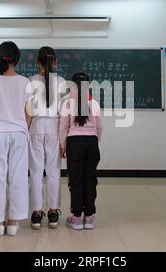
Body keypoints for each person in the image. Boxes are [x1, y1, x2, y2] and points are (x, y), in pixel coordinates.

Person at [0, 41, 32, 236]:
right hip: (19, 133)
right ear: (17, 59)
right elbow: (29, 113)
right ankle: (13, 221)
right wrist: (23, 128)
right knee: (18, 176)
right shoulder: (26, 82)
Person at [29, 46, 67, 230]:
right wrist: (63, 140)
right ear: (55, 62)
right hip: (54, 127)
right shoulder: (61, 82)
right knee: (53, 171)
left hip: (35, 127)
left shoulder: (30, 81)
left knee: (36, 172)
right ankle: (53, 212)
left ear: (37, 62)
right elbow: (65, 113)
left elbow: (26, 111)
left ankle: (36, 213)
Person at [60, 72, 102, 230]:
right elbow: (100, 127)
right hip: (91, 142)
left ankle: (76, 217)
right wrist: (95, 142)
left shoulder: (67, 103)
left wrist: (63, 146)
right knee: (90, 179)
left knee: (76, 180)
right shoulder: (95, 103)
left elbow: (63, 127)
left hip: (74, 142)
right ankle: (89, 217)